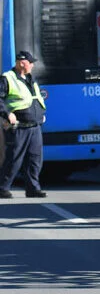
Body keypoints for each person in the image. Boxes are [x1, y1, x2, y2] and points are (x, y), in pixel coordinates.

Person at [0, 51, 47, 199]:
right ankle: (3, 188)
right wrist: (7, 114)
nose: (32, 66)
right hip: (18, 127)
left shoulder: (30, 78)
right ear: (21, 63)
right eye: (30, 63)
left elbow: (34, 99)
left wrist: (40, 114)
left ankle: (33, 188)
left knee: (35, 159)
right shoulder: (7, 78)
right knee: (14, 158)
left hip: (35, 126)